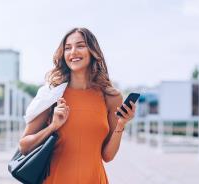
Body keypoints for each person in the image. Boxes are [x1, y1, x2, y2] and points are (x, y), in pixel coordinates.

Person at [19, 27, 136, 184]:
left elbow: (107, 156)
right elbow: (24, 146)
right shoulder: (52, 94)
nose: (73, 52)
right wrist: (53, 126)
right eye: (68, 48)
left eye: (80, 45)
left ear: (93, 52)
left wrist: (121, 124)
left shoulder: (111, 97)